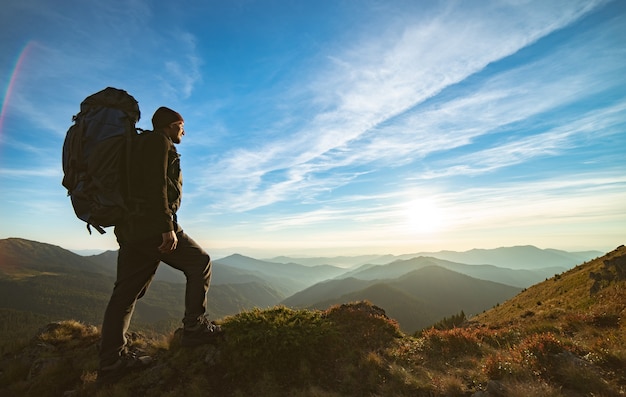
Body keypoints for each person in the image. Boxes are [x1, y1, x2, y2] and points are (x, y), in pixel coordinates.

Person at [98, 106, 221, 382]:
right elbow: (156, 185)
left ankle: (110, 364)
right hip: (152, 226)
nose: (184, 132)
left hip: (131, 229)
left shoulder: (136, 145)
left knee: (125, 294)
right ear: (171, 125)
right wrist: (167, 228)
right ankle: (194, 329)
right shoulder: (157, 141)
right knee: (200, 263)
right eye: (181, 126)